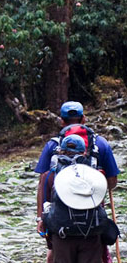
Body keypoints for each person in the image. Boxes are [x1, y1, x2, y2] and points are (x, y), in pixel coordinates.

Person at [36, 101, 120, 263]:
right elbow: (112, 183)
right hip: (92, 224)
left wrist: (40, 219)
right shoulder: (100, 144)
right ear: (84, 119)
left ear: (61, 121)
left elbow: (43, 186)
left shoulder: (52, 146)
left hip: (61, 228)